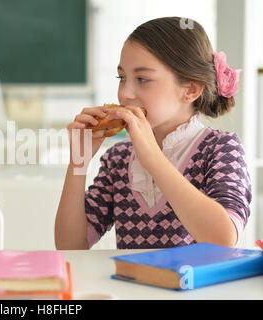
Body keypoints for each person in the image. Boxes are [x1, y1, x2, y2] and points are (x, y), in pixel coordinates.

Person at [55, 17, 251, 250]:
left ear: (190, 90)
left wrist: (153, 159)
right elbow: (71, 246)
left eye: (143, 79)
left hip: (198, 288)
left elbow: (224, 239)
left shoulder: (221, 148)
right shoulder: (118, 159)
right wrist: (78, 163)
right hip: (131, 287)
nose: (125, 94)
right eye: (122, 78)